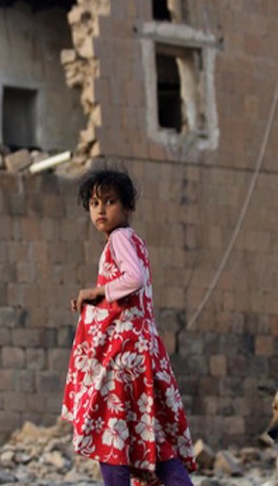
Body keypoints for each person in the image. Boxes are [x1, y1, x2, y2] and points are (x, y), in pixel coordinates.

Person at [61, 166, 196, 486]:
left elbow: (132, 279)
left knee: (112, 435)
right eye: (94, 204)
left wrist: (97, 292)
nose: (100, 210)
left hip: (123, 358)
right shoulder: (135, 241)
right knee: (152, 437)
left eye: (109, 202)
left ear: (127, 207)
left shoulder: (120, 238)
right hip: (144, 353)